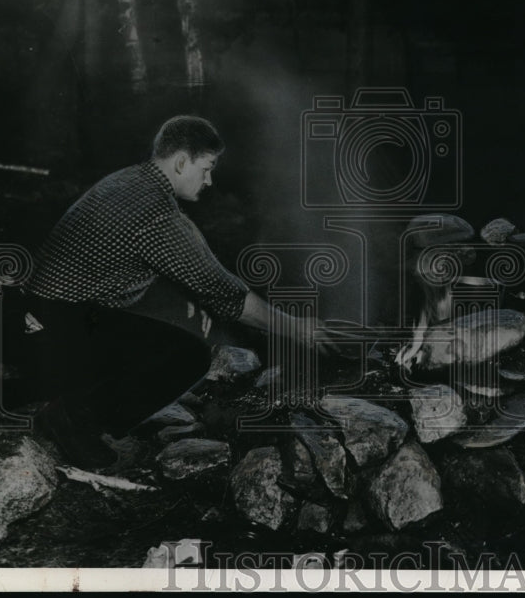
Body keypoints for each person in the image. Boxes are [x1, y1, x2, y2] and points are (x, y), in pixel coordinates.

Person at [19, 115, 323, 466]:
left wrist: (194, 299)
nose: (209, 180)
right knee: (188, 356)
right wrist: (296, 328)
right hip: (56, 325)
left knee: (153, 329)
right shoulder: (158, 215)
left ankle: (66, 397)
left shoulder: (130, 180)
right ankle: (73, 419)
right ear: (181, 162)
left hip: (39, 309)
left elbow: (177, 263)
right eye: (206, 168)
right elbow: (228, 294)